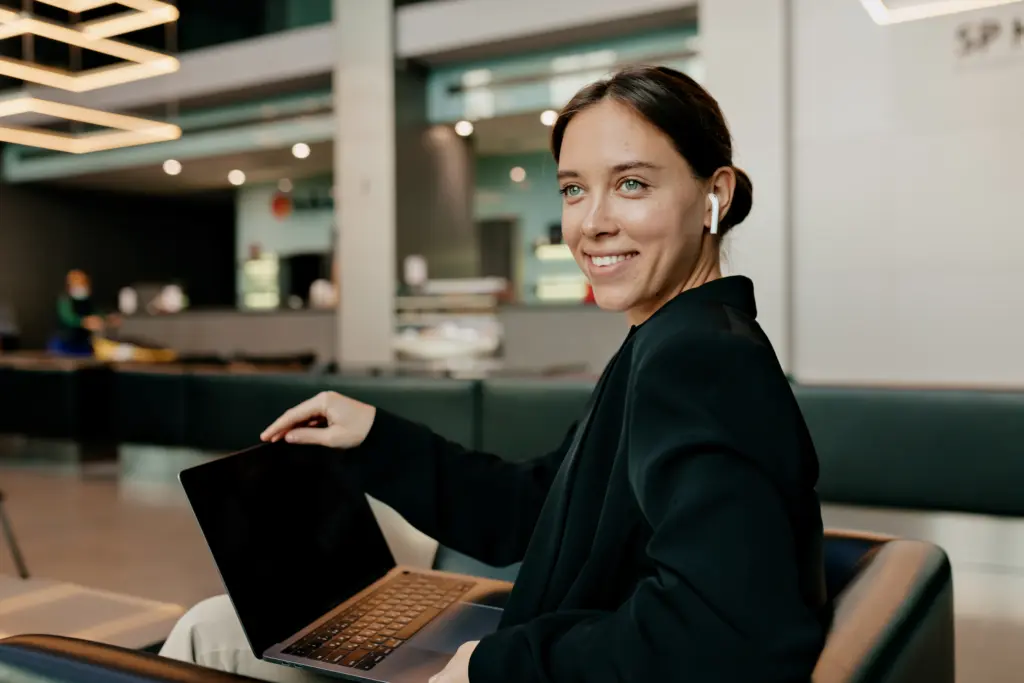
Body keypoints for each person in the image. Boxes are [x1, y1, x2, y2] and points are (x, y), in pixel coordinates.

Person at [161, 66, 829, 682]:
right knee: (230, 625)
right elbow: (532, 510)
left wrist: (494, 666)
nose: (591, 223)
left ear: (715, 193)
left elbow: (730, 632)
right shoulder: (670, 339)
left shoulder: (699, 359)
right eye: (574, 189)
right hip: (544, 639)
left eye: (632, 183)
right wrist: (374, 436)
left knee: (207, 637)